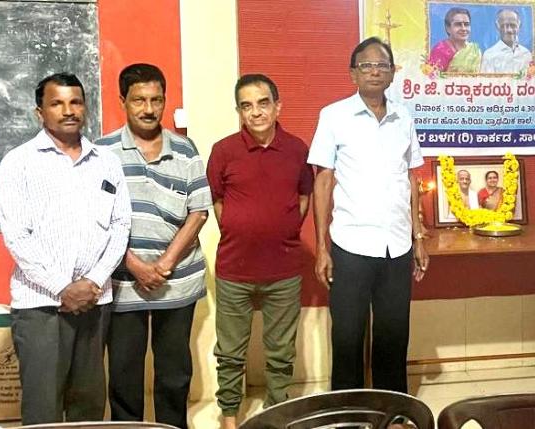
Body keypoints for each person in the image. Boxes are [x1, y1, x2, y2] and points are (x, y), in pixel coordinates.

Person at [0, 73, 131, 424]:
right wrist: (62, 288)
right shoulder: (18, 162)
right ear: (39, 112)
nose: (68, 110)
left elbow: (120, 226)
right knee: (44, 408)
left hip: (94, 301)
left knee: (89, 404)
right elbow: (17, 236)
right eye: (57, 103)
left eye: (75, 102)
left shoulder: (106, 161)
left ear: (85, 107)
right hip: (40, 305)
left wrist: (93, 281)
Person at [310, 37, 429, 393]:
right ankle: (349, 411)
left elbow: (411, 177)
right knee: (347, 337)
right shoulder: (334, 116)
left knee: (394, 336)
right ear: (353, 74)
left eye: (382, 65)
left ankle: (391, 409)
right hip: (351, 245)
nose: (375, 71)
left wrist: (418, 236)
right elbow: (323, 180)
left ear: (392, 73)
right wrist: (322, 247)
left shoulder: (403, 117)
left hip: (397, 246)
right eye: (366, 65)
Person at [94, 64, 209, 429]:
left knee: (174, 374)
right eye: (139, 100)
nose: (148, 108)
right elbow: (96, 218)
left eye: (156, 100)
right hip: (122, 283)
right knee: (124, 375)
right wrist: (134, 265)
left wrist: (164, 264)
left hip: (176, 281)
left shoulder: (185, 149)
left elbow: (199, 212)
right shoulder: (102, 151)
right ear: (122, 101)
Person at [207, 73, 313, 429]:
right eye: (246, 106)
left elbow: (304, 196)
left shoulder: (297, 149)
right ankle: (229, 417)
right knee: (229, 353)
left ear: (277, 106)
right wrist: (239, 228)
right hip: (234, 270)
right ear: (239, 111)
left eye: (263, 103)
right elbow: (217, 200)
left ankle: (276, 414)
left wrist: (283, 230)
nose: (255, 112)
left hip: (284, 271)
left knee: (281, 353)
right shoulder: (223, 151)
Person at [428, 7, 481, 73]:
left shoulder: (475, 51)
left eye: (466, 24)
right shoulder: (440, 51)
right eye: (458, 24)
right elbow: (432, 77)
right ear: (448, 28)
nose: (463, 28)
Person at [480, 8, 532, 73]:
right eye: (504, 26)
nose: (509, 30)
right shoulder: (489, 55)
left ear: (519, 26)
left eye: (513, 25)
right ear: (497, 26)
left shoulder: (526, 54)